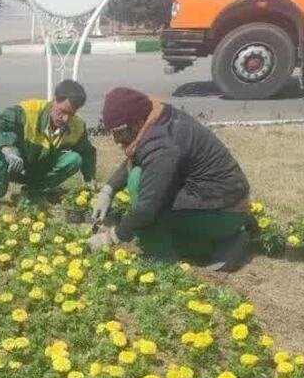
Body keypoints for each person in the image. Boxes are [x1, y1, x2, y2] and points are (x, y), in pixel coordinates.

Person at [88, 87, 251, 271]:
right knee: (154, 227)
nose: (116, 139)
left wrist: (110, 237)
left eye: (119, 131)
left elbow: (146, 210)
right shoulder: (157, 117)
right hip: (224, 206)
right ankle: (223, 244)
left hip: (223, 213)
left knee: (139, 185)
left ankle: (161, 260)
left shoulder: (162, 144)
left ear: (137, 122)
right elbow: (141, 154)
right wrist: (109, 189)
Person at [0, 80, 97, 212]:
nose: (65, 119)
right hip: (15, 165)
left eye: (71, 114)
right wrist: (7, 150)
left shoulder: (77, 125)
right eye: (62, 111)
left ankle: (32, 191)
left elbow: (87, 152)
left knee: (74, 160)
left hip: (41, 167)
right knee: (1, 148)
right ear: (54, 101)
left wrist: (90, 179)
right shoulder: (28, 111)